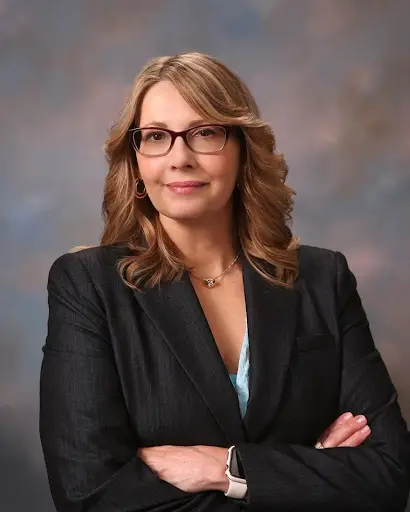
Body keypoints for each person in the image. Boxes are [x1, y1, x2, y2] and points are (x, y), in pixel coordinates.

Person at [39, 52, 410, 512]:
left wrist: (227, 469)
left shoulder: (322, 279)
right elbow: (90, 496)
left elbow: (389, 476)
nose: (180, 158)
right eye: (156, 137)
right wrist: (303, 480)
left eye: (205, 133)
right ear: (135, 163)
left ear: (243, 150)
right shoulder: (88, 286)